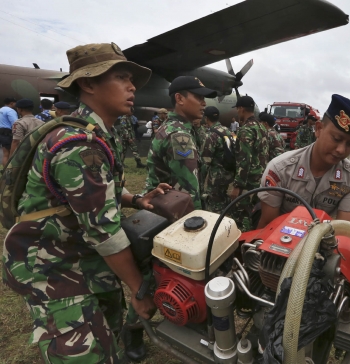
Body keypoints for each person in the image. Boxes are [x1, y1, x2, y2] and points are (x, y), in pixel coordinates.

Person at [2, 42, 174, 363]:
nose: (132, 86)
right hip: (54, 270)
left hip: (83, 259)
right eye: (121, 77)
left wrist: (135, 198)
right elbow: (104, 233)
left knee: (108, 337)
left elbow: (94, 193)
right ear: (89, 83)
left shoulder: (95, 132)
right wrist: (139, 292)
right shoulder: (79, 144)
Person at [258, 94, 350, 228]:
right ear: (319, 129)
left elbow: (342, 231)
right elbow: (268, 225)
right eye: (337, 139)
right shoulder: (280, 169)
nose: (341, 150)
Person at [143, 76, 217, 209]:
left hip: (165, 207)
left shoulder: (175, 127)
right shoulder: (179, 135)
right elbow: (188, 193)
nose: (204, 103)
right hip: (174, 214)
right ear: (180, 98)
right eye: (199, 97)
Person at [230, 95, 269, 231]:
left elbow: (244, 160)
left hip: (248, 183)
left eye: (237, 109)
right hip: (261, 180)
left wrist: (237, 185)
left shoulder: (246, 130)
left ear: (241, 109)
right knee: (255, 215)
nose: (237, 112)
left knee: (242, 217)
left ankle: (243, 243)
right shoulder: (262, 128)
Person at [201, 106, 235, 213]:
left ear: (206, 118)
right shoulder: (228, 131)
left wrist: (200, 180)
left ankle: (218, 219)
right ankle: (226, 212)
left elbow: (206, 160)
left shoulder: (211, 134)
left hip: (217, 175)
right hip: (229, 171)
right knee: (223, 194)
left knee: (214, 200)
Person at [0, 97, 17, 167]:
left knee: (5, 154)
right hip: (8, 134)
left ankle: (4, 171)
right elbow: (15, 123)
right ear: (12, 103)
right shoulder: (10, 111)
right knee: (12, 153)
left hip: (1, 133)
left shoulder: (1, 109)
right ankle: (9, 171)